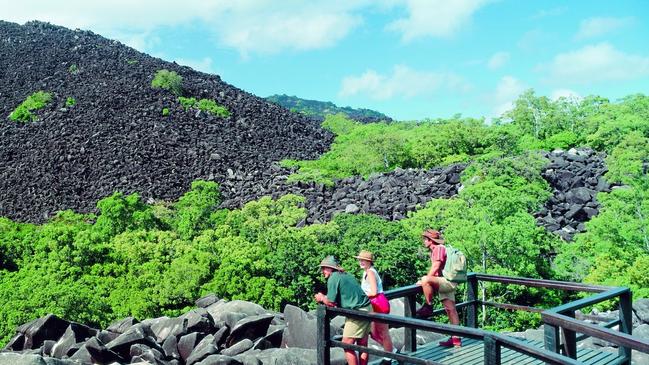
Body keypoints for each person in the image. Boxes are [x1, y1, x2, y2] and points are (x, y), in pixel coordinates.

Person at [315, 255, 372, 365]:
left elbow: (331, 302)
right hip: (367, 308)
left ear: (331, 268)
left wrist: (321, 298)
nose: (322, 271)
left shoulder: (333, 278)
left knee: (346, 344)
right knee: (362, 344)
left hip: (357, 312)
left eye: (324, 268)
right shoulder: (345, 275)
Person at [415, 229, 462, 347]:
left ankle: (428, 306)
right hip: (449, 280)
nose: (424, 241)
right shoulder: (441, 248)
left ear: (431, 241)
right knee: (451, 310)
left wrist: (424, 280)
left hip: (446, 282)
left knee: (425, 279)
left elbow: (435, 266)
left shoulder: (438, 249)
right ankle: (456, 340)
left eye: (425, 239)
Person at [354, 250, 397, 362]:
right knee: (373, 334)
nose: (361, 262)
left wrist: (360, 296)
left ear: (369, 262)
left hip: (377, 303)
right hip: (374, 304)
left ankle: (389, 357)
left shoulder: (371, 273)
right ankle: (392, 350)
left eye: (364, 260)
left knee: (383, 332)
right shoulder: (367, 272)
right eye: (360, 259)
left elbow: (373, 291)